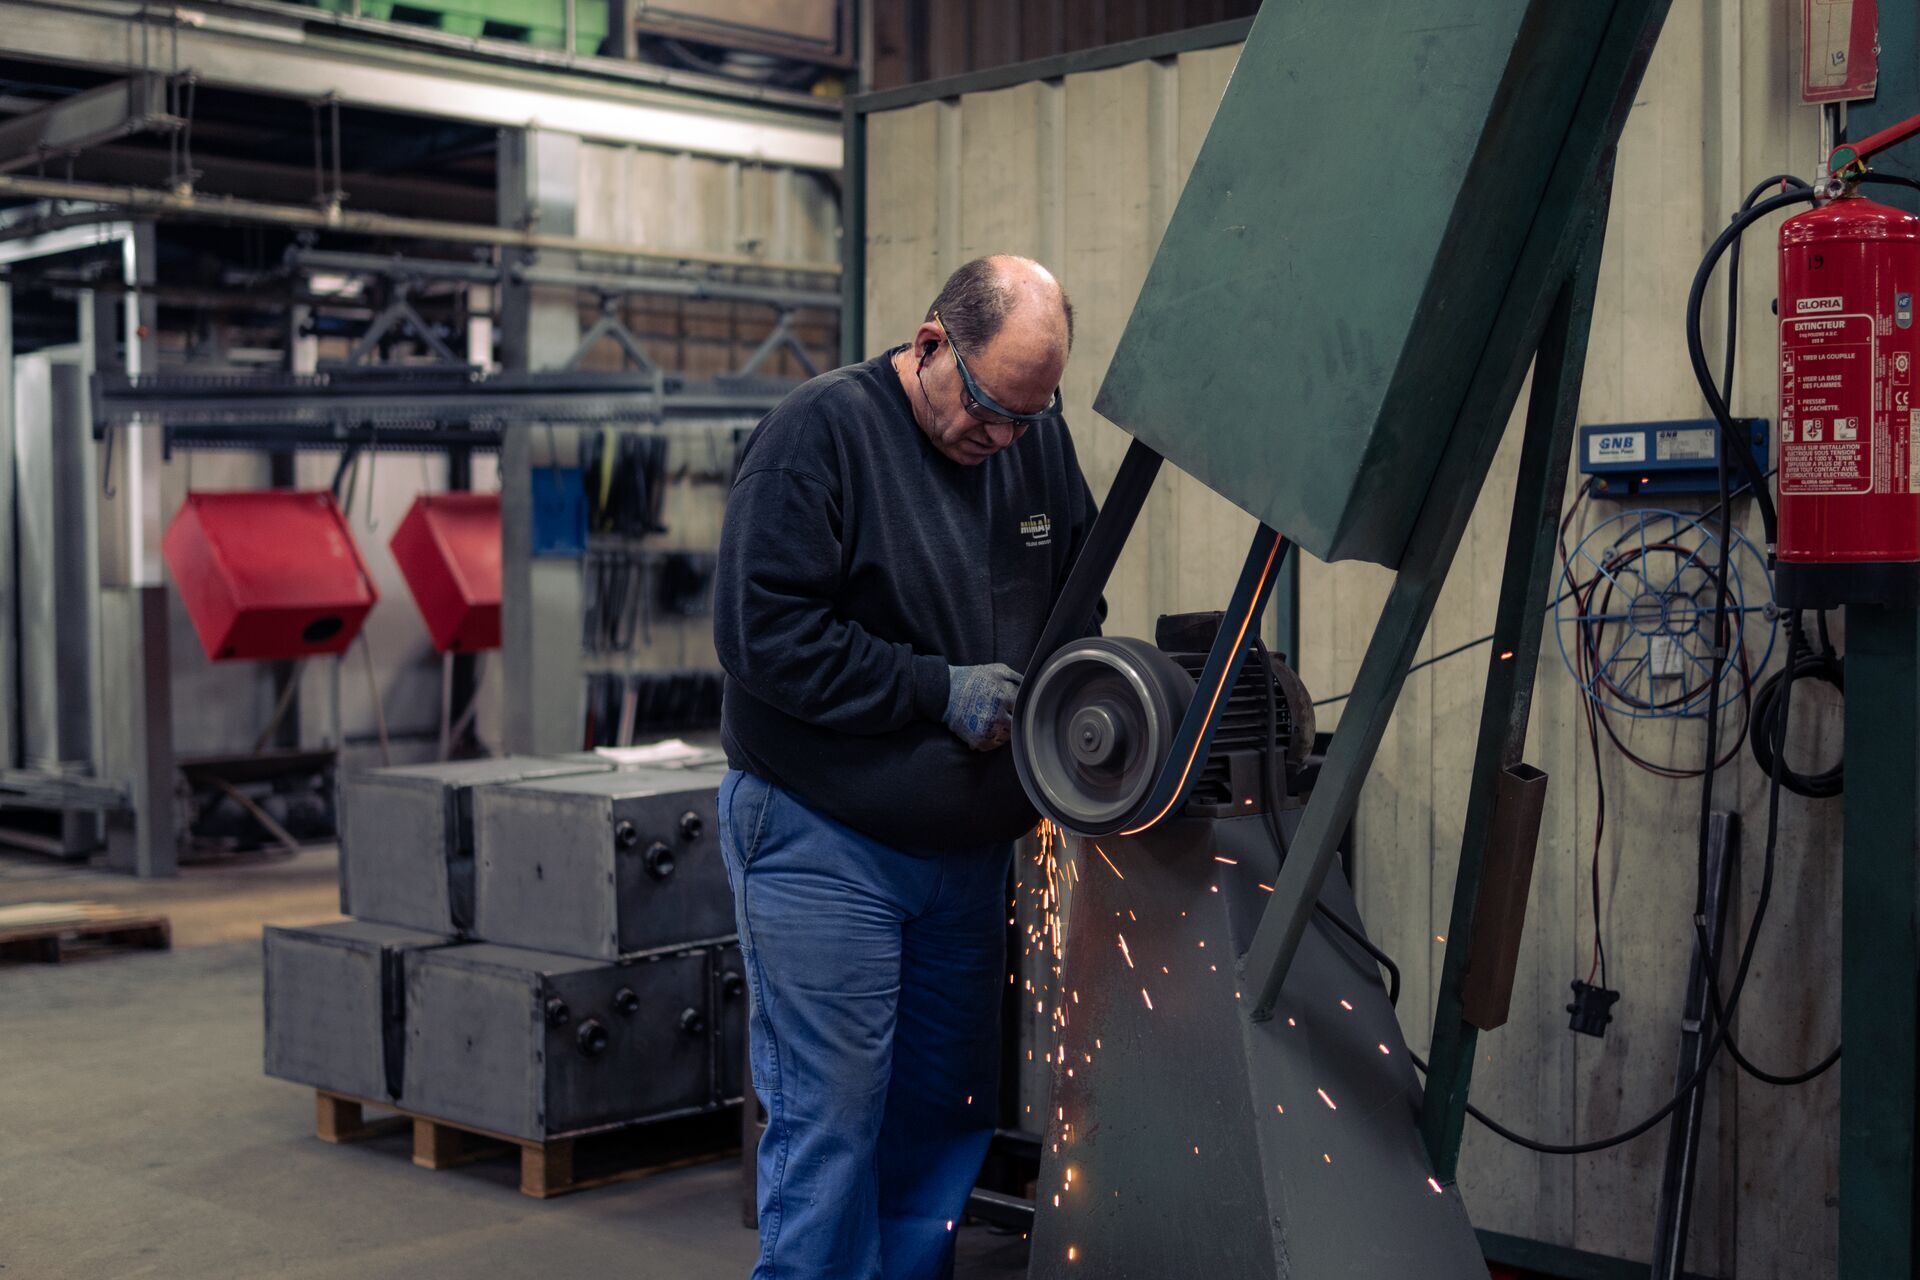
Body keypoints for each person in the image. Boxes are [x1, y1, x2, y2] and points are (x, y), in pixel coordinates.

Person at [713, 254, 1099, 1280]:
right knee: (830, 1122)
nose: (1005, 438)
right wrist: (935, 688)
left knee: (941, 1114)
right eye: (987, 407)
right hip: (821, 834)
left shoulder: (1032, 440)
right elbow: (765, 639)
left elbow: (1078, 603)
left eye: (1029, 413)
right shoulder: (818, 436)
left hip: (966, 852)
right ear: (931, 344)